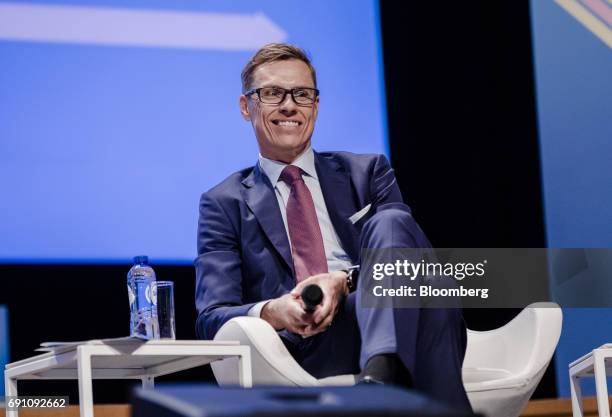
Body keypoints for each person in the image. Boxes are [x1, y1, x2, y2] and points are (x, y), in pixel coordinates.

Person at [195, 43, 471, 409]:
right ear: (247, 107)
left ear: (317, 105)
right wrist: (274, 310)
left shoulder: (368, 172)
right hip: (308, 343)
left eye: (302, 94)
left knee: (396, 230)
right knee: (436, 297)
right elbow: (211, 316)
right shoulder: (224, 202)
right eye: (273, 93)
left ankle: (380, 375)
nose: (289, 105)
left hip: (385, 318)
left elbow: (411, 260)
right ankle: (387, 381)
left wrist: (345, 281)